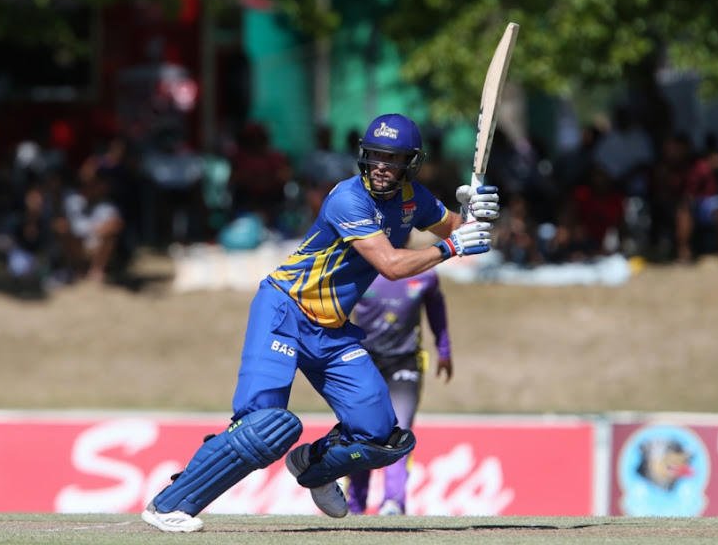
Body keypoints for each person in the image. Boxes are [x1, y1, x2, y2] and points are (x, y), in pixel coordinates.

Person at [140, 113, 501, 532]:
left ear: (410, 163)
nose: (382, 166)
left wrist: (477, 210)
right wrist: (452, 246)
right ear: (363, 157)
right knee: (263, 426)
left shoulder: (413, 198)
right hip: (284, 309)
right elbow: (391, 264)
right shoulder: (347, 199)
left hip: (330, 329)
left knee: (381, 436)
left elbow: (460, 228)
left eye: (393, 158)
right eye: (376, 156)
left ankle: (313, 466)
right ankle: (170, 505)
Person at [346, 267, 452, 516]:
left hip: (405, 363)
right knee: (361, 432)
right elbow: (333, 312)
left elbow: (437, 311)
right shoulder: (355, 269)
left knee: (400, 430)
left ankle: (393, 503)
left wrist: (444, 350)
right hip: (364, 362)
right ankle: (354, 506)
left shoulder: (425, 274)